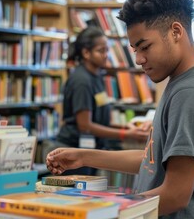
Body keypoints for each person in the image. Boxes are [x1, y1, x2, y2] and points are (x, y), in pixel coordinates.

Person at [47, 0, 194, 218]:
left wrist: (108, 211)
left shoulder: (192, 93)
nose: (138, 59)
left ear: (176, 32)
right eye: (135, 49)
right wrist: (83, 156)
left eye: (145, 47)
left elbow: (176, 194)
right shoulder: (180, 84)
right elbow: (152, 160)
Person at [54, 26, 148, 175]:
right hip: (74, 151)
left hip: (90, 149)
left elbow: (99, 120)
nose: (106, 55)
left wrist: (126, 128)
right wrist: (125, 135)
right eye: (101, 51)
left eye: (107, 50)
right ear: (86, 53)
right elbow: (85, 125)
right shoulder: (82, 81)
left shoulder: (97, 76)